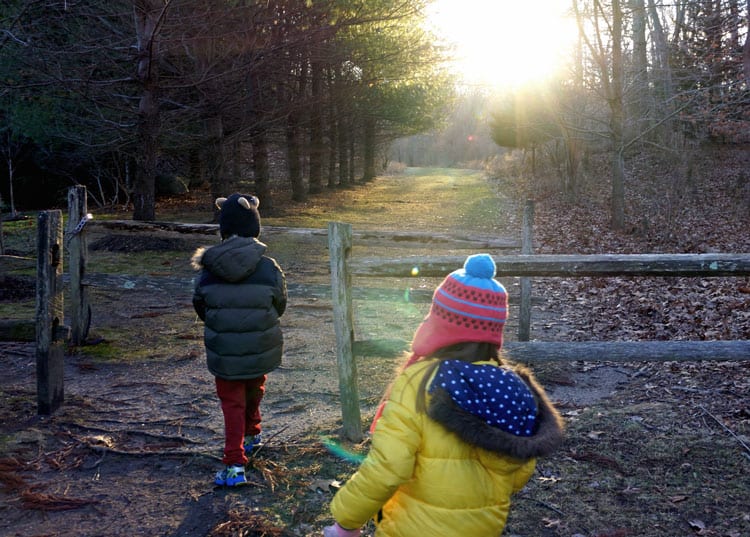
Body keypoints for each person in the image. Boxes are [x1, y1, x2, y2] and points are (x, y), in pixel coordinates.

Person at [323, 253, 564, 537]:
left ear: (440, 322)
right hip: (483, 526)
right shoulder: (513, 389)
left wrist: (346, 522)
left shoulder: (421, 381)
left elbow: (388, 468)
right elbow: (520, 469)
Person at [192, 193, 287, 487]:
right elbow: (280, 303)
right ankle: (250, 437)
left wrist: (222, 324)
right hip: (259, 343)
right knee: (255, 385)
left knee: (231, 402)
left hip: (224, 348)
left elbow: (200, 305)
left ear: (224, 227)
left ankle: (234, 464)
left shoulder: (208, 268)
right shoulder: (268, 266)